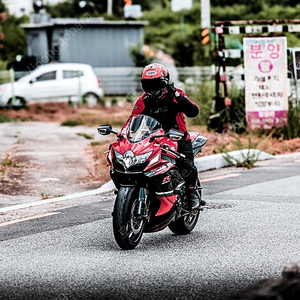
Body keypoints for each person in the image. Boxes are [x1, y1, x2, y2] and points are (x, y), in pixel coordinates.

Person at [124, 63, 204, 210]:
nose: (152, 88)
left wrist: (177, 95)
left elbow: (193, 111)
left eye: (156, 83)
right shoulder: (143, 100)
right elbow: (132, 119)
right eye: (148, 84)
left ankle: (192, 194)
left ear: (166, 82)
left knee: (187, 166)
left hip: (178, 139)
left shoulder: (175, 95)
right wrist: (124, 136)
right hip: (154, 140)